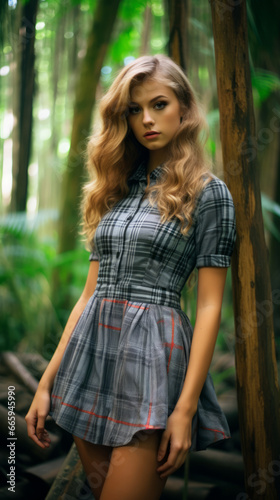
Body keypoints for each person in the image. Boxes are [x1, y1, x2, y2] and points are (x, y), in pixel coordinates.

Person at [25, 54, 236, 500]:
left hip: (154, 363)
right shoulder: (114, 189)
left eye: (159, 104)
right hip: (91, 355)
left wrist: (185, 408)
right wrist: (46, 382)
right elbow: (88, 296)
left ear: (184, 107)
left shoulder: (209, 192)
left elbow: (210, 304)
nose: (147, 120)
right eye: (134, 110)